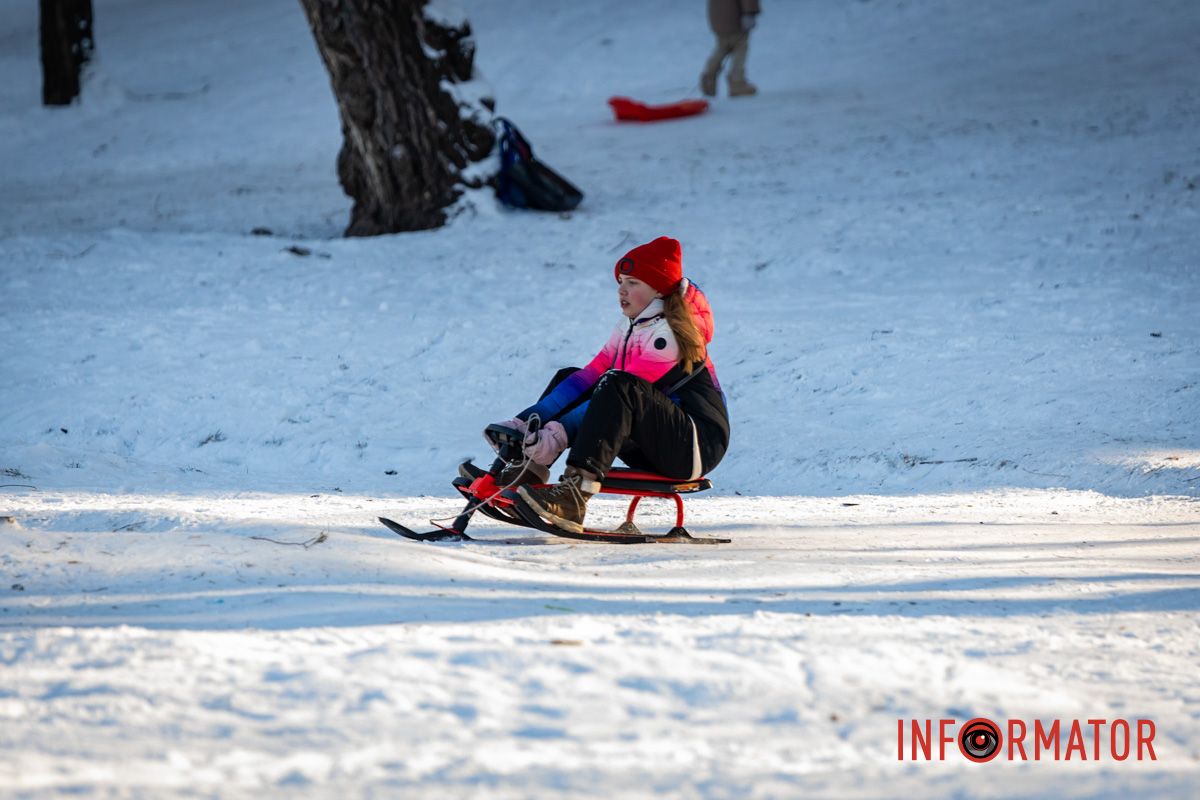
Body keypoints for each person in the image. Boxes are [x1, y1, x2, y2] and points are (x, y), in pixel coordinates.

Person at [482, 236, 730, 533]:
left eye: (634, 282)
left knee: (617, 384)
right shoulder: (631, 324)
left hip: (693, 446)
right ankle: (528, 472)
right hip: (653, 440)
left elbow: (614, 394)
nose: (622, 290)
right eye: (621, 281)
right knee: (572, 376)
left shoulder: (670, 335)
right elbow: (590, 377)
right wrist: (527, 422)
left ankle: (574, 495)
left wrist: (556, 434)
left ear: (658, 289)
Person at [700, 0, 761, 98]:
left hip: (718, 18)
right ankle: (737, 83)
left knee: (722, 47)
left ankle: (708, 79)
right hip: (735, 17)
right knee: (740, 48)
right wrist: (749, 13)